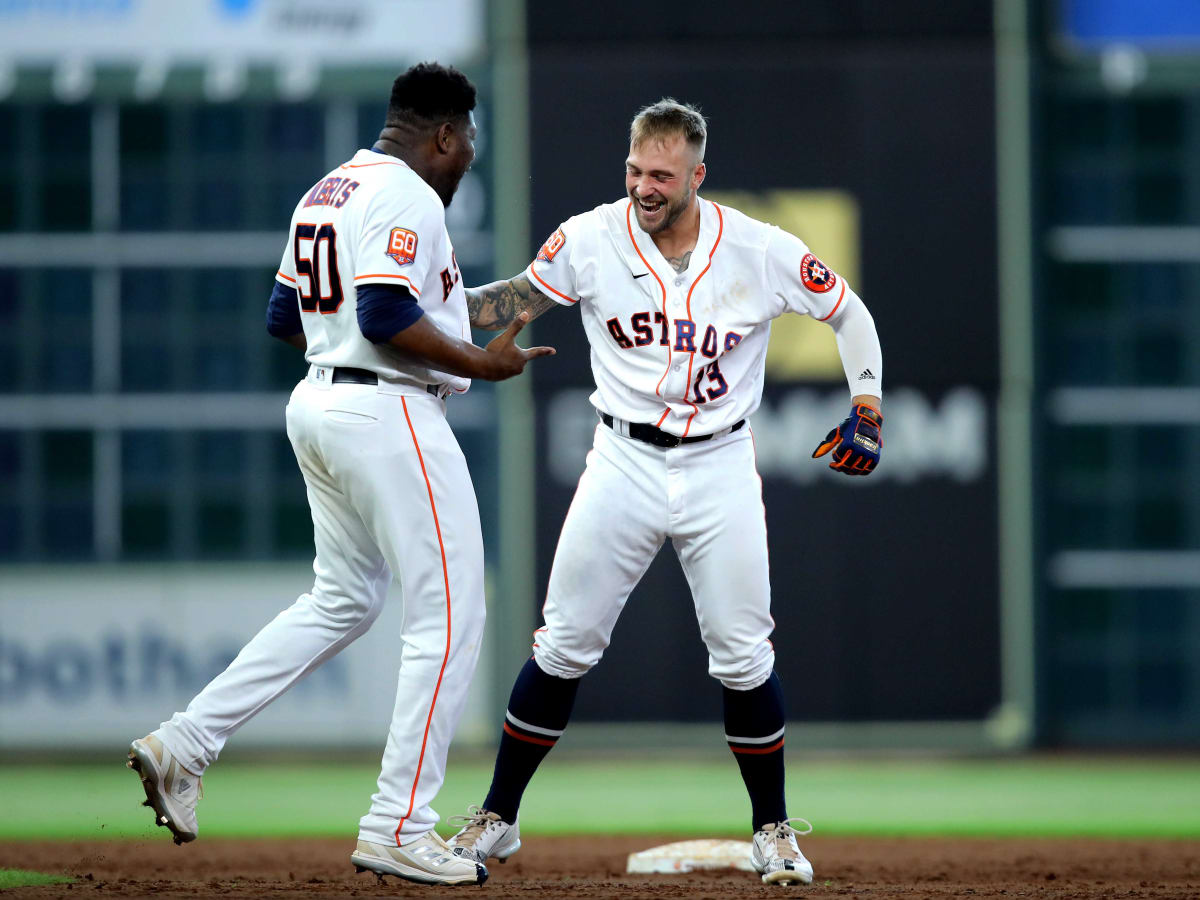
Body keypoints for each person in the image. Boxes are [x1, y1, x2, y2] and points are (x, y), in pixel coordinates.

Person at [125, 62, 553, 887]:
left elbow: (286, 317)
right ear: (445, 134)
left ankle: (184, 743)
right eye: (468, 143)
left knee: (344, 598)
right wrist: (478, 365)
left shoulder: (329, 190)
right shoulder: (410, 196)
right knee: (454, 611)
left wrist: (361, 353)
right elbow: (387, 316)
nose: (470, 159)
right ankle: (398, 822)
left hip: (321, 404)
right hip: (386, 412)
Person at [446, 99, 883, 886]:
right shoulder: (589, 238)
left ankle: (774, 831)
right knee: (563, 643)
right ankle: (497, 819)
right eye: (636, 170)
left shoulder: (754, 246)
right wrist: (426, 301)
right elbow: (510, 301)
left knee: (744, 655)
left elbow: (848, 314)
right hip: (622, 458)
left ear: (696, 176)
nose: (644, 187)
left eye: (662, 175)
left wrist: (868, 407)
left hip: (719, 463)